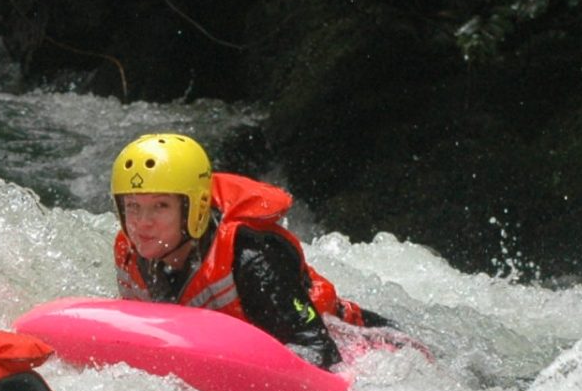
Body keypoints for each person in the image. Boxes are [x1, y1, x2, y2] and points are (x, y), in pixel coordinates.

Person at [110, 132, 395, 370]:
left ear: (194, 208)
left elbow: (320, 351)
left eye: (160, 206)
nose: (142, 223)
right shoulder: (131, 251)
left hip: (367, 345)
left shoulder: (251, 258)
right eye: (132, 206)